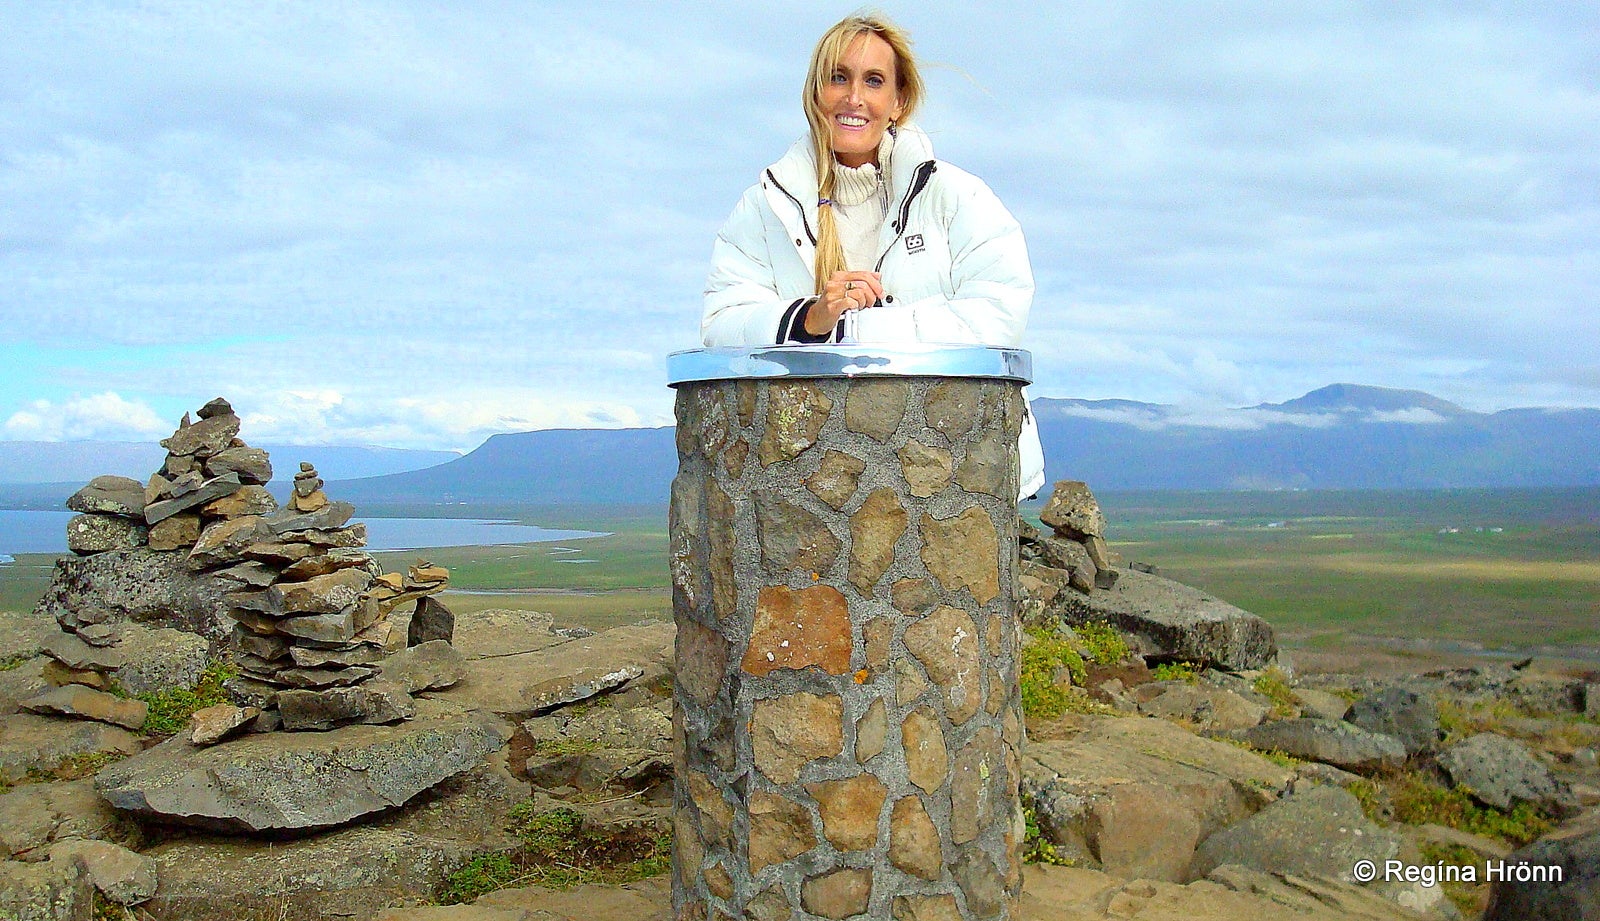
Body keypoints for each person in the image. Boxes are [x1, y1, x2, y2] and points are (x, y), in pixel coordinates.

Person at [700, 13, 1044, 498]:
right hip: (806, 489)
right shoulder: (763, 207)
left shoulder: (956, 196)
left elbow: (998, 314)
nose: (854, 97)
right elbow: (721, 323)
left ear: (898, 102)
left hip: (949, 480)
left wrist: (854, 331)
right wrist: (810, 319)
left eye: (873, 81)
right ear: (815, 92)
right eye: (837, 77)